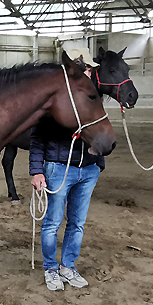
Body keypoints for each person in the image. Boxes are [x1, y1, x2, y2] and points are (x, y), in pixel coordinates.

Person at [29, 52, 103, 292]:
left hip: (88, 169)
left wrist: (99, 163)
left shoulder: (92, 100)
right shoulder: (54, 101)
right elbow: (37, 137)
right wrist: (37, 170)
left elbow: (101, 129)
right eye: (88, 70)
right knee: (52, 223)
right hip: (59, 168)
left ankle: (68, 266)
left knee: (77, 223)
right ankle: (51, 268)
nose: (91, 74)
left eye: (91, 71)